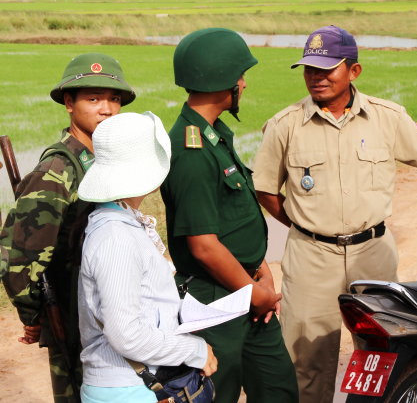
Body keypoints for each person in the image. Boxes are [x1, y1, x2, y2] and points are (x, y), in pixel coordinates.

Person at [252, 24, 417, 403]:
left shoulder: (386, 117)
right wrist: (304, 224)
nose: (316, 77)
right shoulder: (286, 125)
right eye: (310, 69)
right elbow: (264, 188)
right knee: (307, 364)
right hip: (311, 258)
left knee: (381, 358)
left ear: (353, 70)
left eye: (327, 68)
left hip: (372, 254)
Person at [160, 28, 298, 403]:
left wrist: (261, 271)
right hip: (216, 302)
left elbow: (234, 219)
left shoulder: (214, 135)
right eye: (241, 77)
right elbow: (203, 246)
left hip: (247, 291)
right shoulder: (190, 149)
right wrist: (254, 292)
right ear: (223, 82)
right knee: (217, 394)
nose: (244, 85)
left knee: (278, 389)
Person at [1, 53, 135, 403]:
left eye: (114, 99)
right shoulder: (58, 169)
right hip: (71, 313)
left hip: (102, 310)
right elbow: (20, 256)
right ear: (68, 104)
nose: (106, 109)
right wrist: (35, 314)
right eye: (93, 99)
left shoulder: (101, 161)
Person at [76, 111, 216, 402]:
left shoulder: (124, 221)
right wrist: (195, 350)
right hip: (127, 389)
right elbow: (126, 334)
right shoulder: (116, 237)